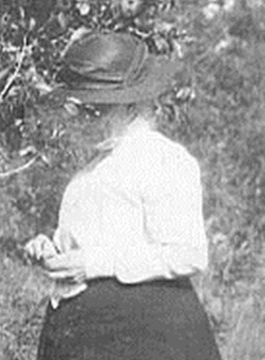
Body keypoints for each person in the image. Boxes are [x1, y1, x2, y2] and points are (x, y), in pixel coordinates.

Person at [25, 32, 223, 360]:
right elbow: (98, 240)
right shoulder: (91, 169)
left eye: (98, 110)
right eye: (82, 109)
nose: (87, 120)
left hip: (145, 333)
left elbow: (188, 253)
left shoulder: (163, 159)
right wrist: (52, 248)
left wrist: (93, 263)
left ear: (132, 105)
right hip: (80, 331)